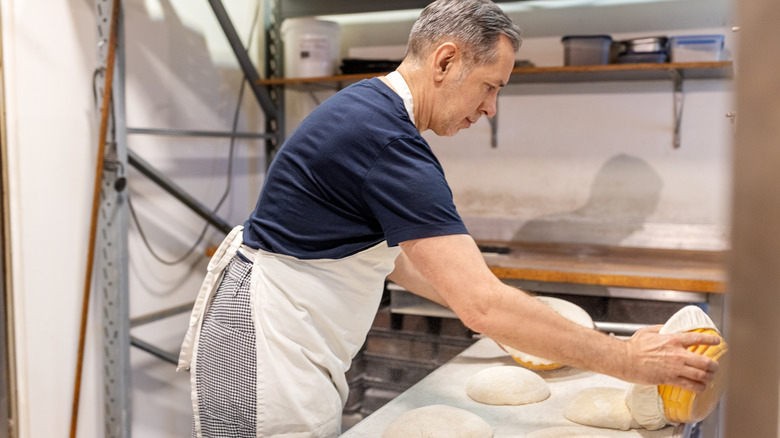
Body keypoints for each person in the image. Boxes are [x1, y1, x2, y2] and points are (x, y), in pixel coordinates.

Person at [178, 1, 720, 437]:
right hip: (264, 352)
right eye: (490, 86)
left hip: (281, 335)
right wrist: (626, 358)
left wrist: (521, 326)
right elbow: (479, 304)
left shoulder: (370, 110)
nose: (490, 109)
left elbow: (397, 263)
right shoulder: (387, 142)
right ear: (445, 61)